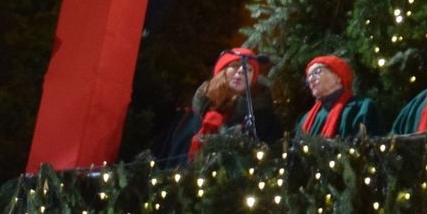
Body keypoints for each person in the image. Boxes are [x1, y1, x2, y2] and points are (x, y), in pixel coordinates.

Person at [153, 47, 281, 162]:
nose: (241, 71)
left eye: (248, 69)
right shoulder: (191, 117)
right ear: (222, 71)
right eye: (235, 65)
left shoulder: (261, 119)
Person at [295, 55, 378, 141]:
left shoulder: (361, 108)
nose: (311, 79)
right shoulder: (305, 120)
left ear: (338, 76)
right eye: (308, 77)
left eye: (317, 72)